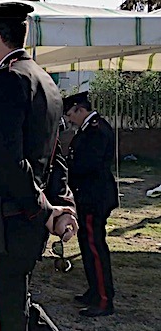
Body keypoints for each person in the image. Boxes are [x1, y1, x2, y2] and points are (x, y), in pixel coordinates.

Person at [0, 0, 78, 331]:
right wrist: (59, 206)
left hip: (5, 226)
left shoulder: (8, 80)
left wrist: (44, 210)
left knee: (0, 326)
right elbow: (55, 157)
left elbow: (8, 159)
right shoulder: (47, 82)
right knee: (16, 313)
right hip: (25, 226)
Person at [63, 91, 118, 317]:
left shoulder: (96, 130)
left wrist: (67, 172)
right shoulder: (87, 129)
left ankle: (104, 299)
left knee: (95, 248)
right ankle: (94, 290)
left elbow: (88, 164)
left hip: (94, 197)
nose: (69, 120)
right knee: (87, 245)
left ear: (79, 109)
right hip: (87, 196)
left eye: (70, 115)